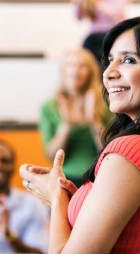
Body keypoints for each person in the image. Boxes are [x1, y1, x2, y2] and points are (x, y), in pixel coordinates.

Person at [20, 15, 140, 252]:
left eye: (129, 60)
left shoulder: (132, 151)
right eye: (110, 60)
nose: (108, 73)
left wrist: (57, 199)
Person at [39, 49, 112, 187]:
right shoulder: (49, 106)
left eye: (82, 65)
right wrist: (66, 125)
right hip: (64, 179)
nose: (75, 70)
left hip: (99, 178)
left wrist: (94, 121)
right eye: (70, 65)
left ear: (90, 72)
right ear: (63, 71)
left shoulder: (107, 103)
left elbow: (110, 150)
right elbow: (51, 155)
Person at [73, 0, 133, 66]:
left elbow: (116, 13)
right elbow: (78, 17)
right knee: (84, 62)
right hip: (94, 36)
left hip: (114, 34)